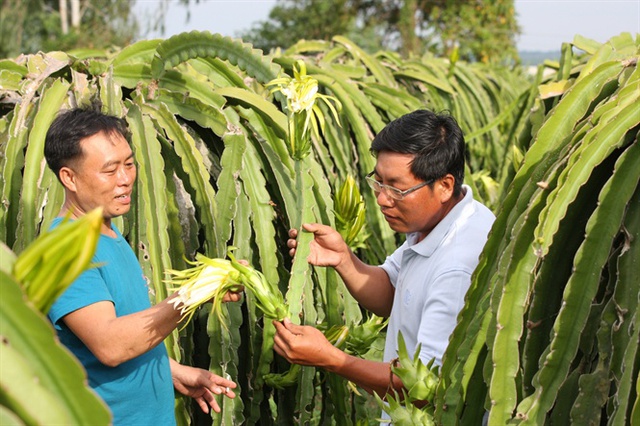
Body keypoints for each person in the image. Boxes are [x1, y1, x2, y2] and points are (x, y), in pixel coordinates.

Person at [273, 109, 495, 406]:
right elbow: (395, 294)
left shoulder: (458, 267)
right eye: (378, 182)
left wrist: (333, 359)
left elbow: (425, 389)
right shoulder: (438, 222)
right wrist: (344, 259)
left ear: (444, 186)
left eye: (396, 188)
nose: (381, 199)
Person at [44, 106, 239, 426]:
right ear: (69, 178)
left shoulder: (106, 232)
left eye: (129, 164)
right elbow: (109, 345)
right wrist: (192, 294)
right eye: (110, 170)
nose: (125, 179)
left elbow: (111, 333)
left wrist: (171, 371)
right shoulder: (64, 249)